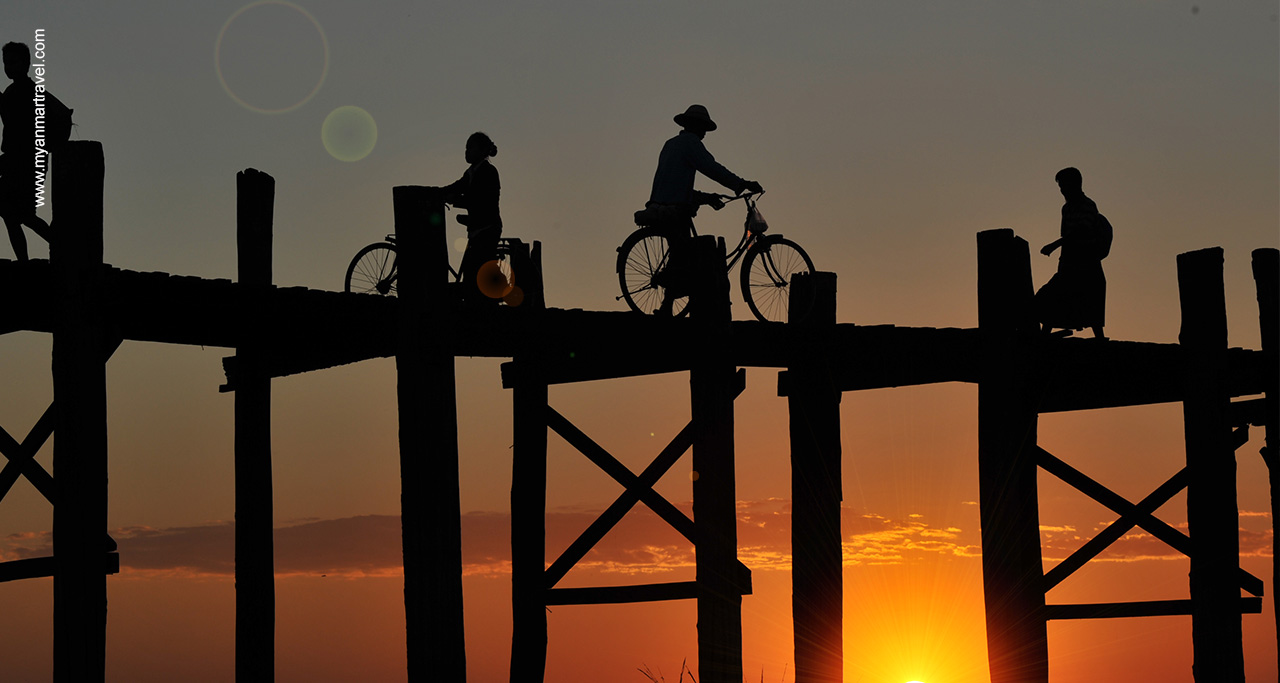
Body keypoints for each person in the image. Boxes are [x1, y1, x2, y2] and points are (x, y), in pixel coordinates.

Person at [646, 104, 763, 316]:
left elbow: (675, 184)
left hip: (659, 202)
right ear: (697, 126)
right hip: (675, 207)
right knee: (684, 257)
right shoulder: (691, 144)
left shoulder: (670, 144)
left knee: (679, 254)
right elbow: (712, 168)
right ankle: (670, 304)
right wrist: (741, 183)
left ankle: (666, 307)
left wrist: (707, 198)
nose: (704, 134)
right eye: (703, 128)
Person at [1035, 167, 1110, 339]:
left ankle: (1100, 339)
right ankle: (1044, 334)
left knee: (1090, 300)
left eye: (1064, 186)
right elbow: (1067, 235)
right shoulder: (1067, 208)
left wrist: (1054, 245)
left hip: (1087, 262)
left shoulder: (1088, 206)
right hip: (1069, 262)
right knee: (1053, 296)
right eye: (1060, 187)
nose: (1062, 190)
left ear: (1075, 184)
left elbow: (1080, 232)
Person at [1, 42, 51, 261]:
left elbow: (21, 130)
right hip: (17, 161)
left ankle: (62, 246)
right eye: (5, 63)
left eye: (12, 62)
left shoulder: (26, 93)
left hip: (26, 162)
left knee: (22, 215)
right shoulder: (14, 92)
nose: (8, 67)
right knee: (12, 213)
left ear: (26, 64)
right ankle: (25, 261)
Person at [443, 132, 502, 304]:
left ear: (481, 150)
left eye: (470, 148)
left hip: (487, 226)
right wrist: (439, 192)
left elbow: (478, 199)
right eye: (466, 148)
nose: (466, 151)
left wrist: (455, 199)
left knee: (475, 272)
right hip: (478, 225)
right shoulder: (471, 172)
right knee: (471, 270)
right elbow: (458, 186)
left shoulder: (488, 172)